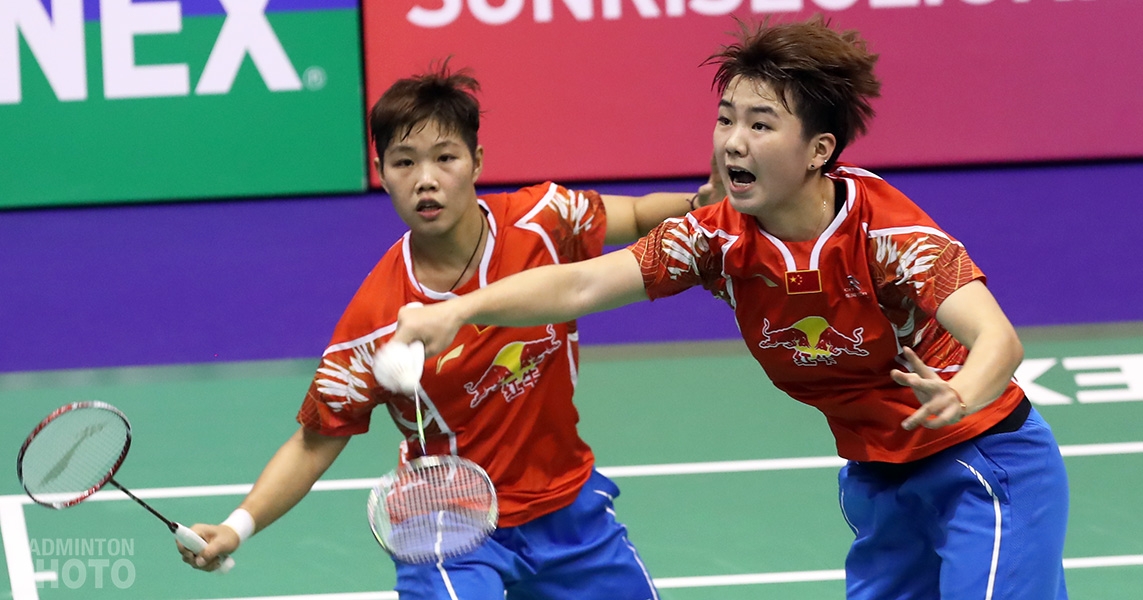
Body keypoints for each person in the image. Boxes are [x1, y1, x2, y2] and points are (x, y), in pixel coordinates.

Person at [388, 17, 1070, 600]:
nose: (733, 141)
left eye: (760, 124)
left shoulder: (885, 234)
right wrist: (460, 310)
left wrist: (961, 393)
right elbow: (581, 286)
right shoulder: (716, 239)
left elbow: (996, 338)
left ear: (819, 151)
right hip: (880, 477)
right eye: (725, 119)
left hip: (982, 460)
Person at [177, 63, 720, 599]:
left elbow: (639, 216)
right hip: (448, 523)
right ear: (381, 172)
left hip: (564, 505)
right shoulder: (374, 321)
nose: (426, 179)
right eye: (404, 162)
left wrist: (705, 204)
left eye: (445, 157)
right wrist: (235, 527)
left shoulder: (545, 221)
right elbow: (314, 443)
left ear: (477, 160)